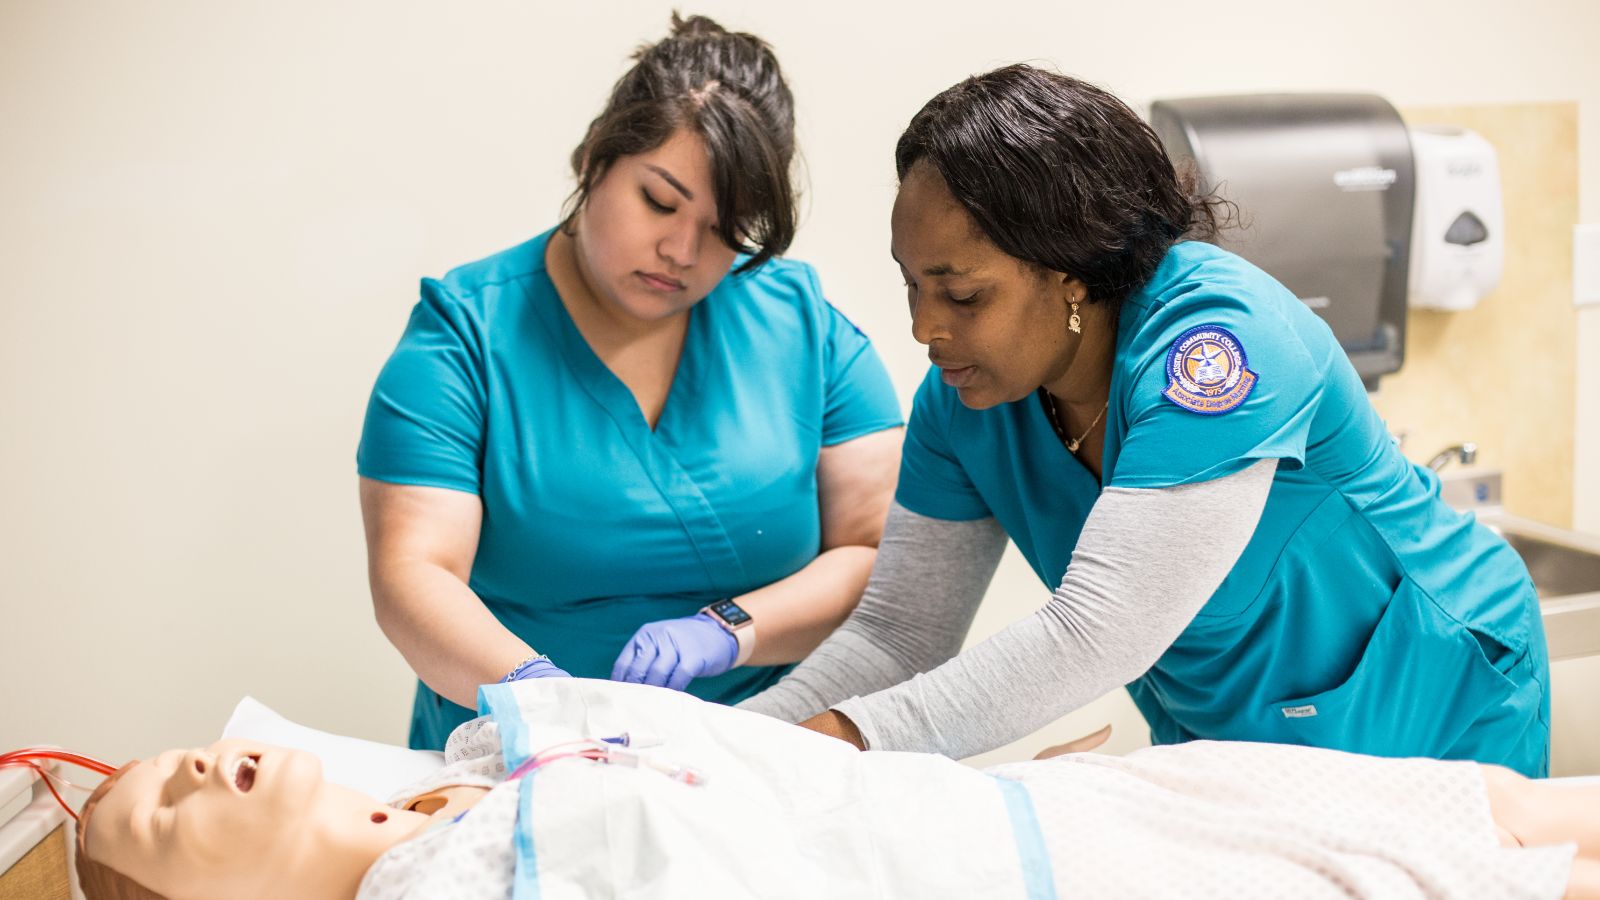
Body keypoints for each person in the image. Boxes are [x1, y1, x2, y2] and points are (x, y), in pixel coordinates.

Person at [740, 64, 1551, 777]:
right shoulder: (964, 405)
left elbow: (1099, 629)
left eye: (963, 294)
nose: (924, 327)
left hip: (1432, 690)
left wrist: (842, 740)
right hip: (1232, 734)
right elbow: (896, 634)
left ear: (1072, 271)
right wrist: (727, 744)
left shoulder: (1219, 347)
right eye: (911, 284)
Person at [356, 14, 903, 750]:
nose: (681, 250)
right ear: (593, 161)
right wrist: (539, 699)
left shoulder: (806, 330)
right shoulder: (464, 337)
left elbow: (878, 558)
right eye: (659, 200)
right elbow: (414, 574)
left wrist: (729, 630)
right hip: (519, 752)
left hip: (763, 747)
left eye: (723, 228)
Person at [47, 679, 1598, 899]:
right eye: (164, 817)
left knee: (1493, 804)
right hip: (1063, 888)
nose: (186, 767)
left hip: (1050, 815)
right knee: (1506, 871)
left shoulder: (454, 792)